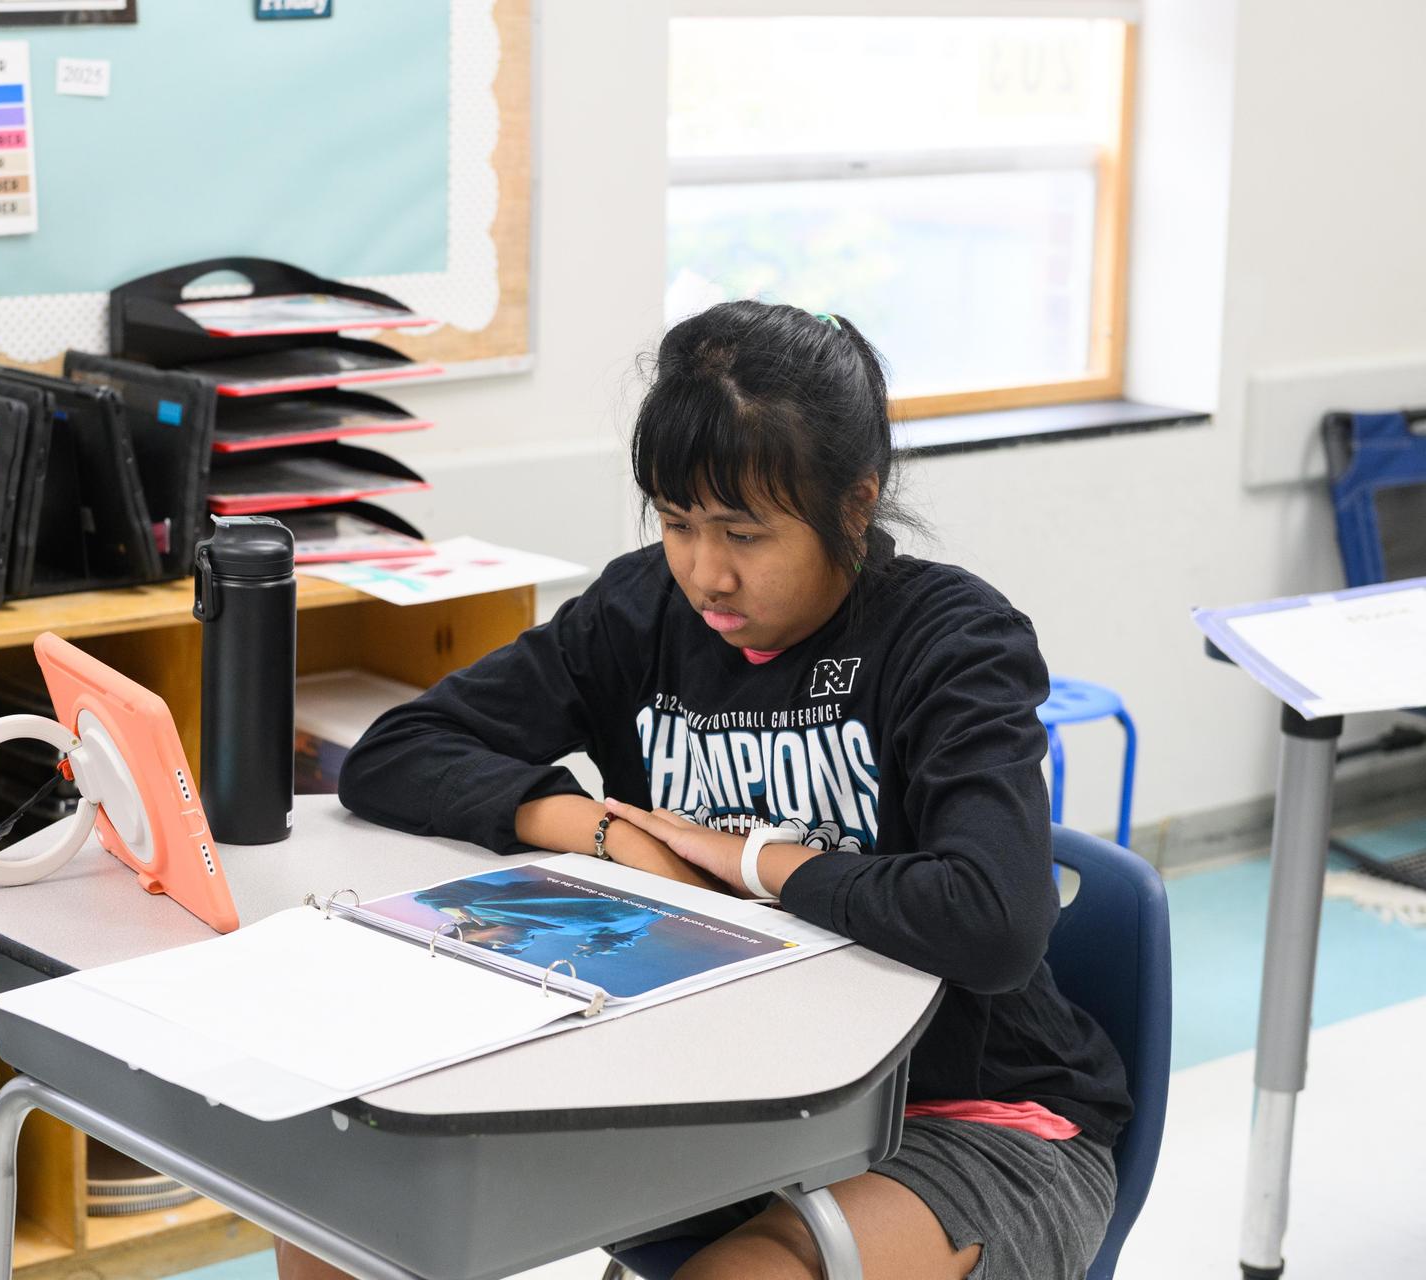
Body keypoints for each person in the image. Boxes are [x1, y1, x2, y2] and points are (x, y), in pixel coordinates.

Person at [278, 301, 1129, 1280]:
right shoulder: (639, 611)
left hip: (957, 1113)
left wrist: (757, 861)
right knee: (339, 1195)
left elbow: (993, 919)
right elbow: (399, 751)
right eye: (679, 522)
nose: (706, 573)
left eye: (746, 532)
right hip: (710, 1091)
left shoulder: (953, 641)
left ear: (854, 504)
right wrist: (598, 831)